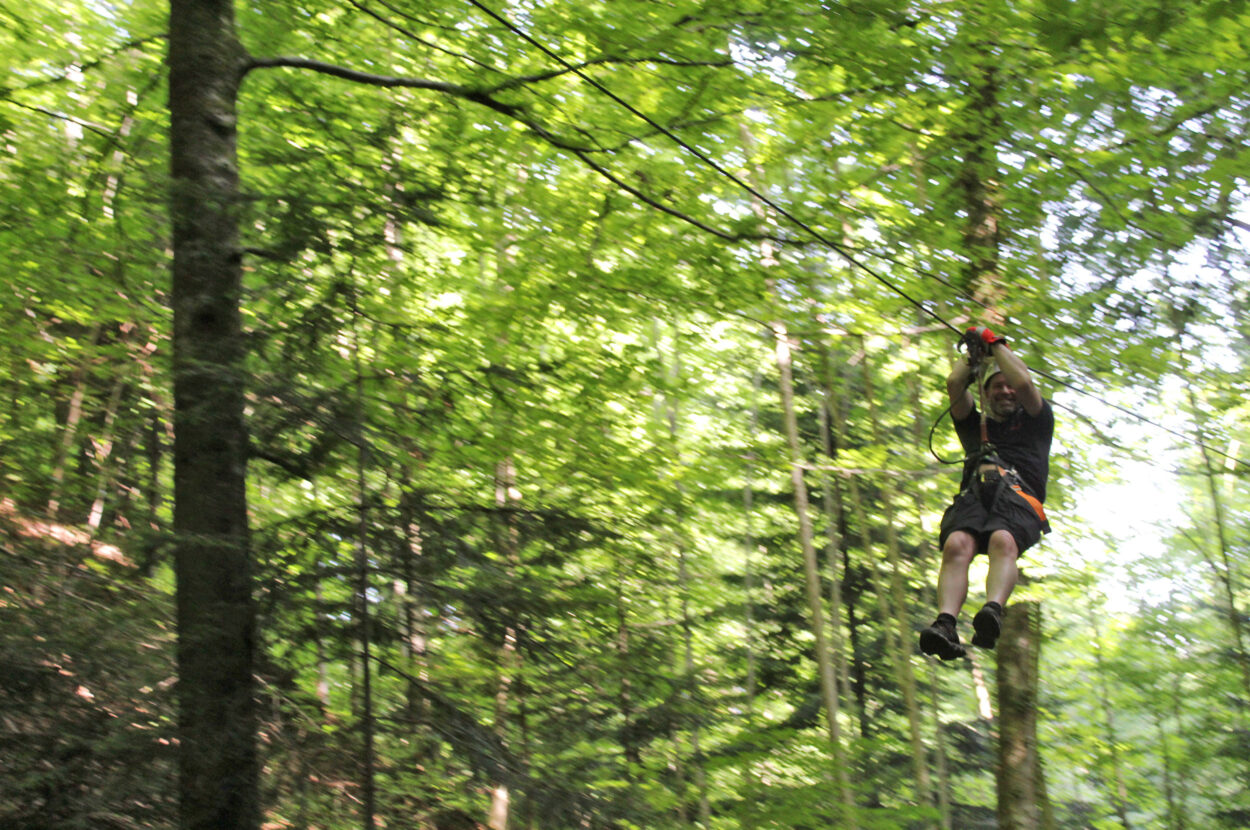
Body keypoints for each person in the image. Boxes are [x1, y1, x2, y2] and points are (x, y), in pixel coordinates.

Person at [919, 326, 1054, 660]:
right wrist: (973, 356)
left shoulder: (1037, 420)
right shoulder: (975, 427)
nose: (1006, 391)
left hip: (1019, 498)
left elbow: (1024, 383)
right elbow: (955, 384)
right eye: (996, 386)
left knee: (1002, 541)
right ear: (986, 392)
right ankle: (946, 623)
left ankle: (993, 610)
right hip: (976, 496)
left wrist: (995, 344)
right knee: (956, 544)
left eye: (1009, 386)